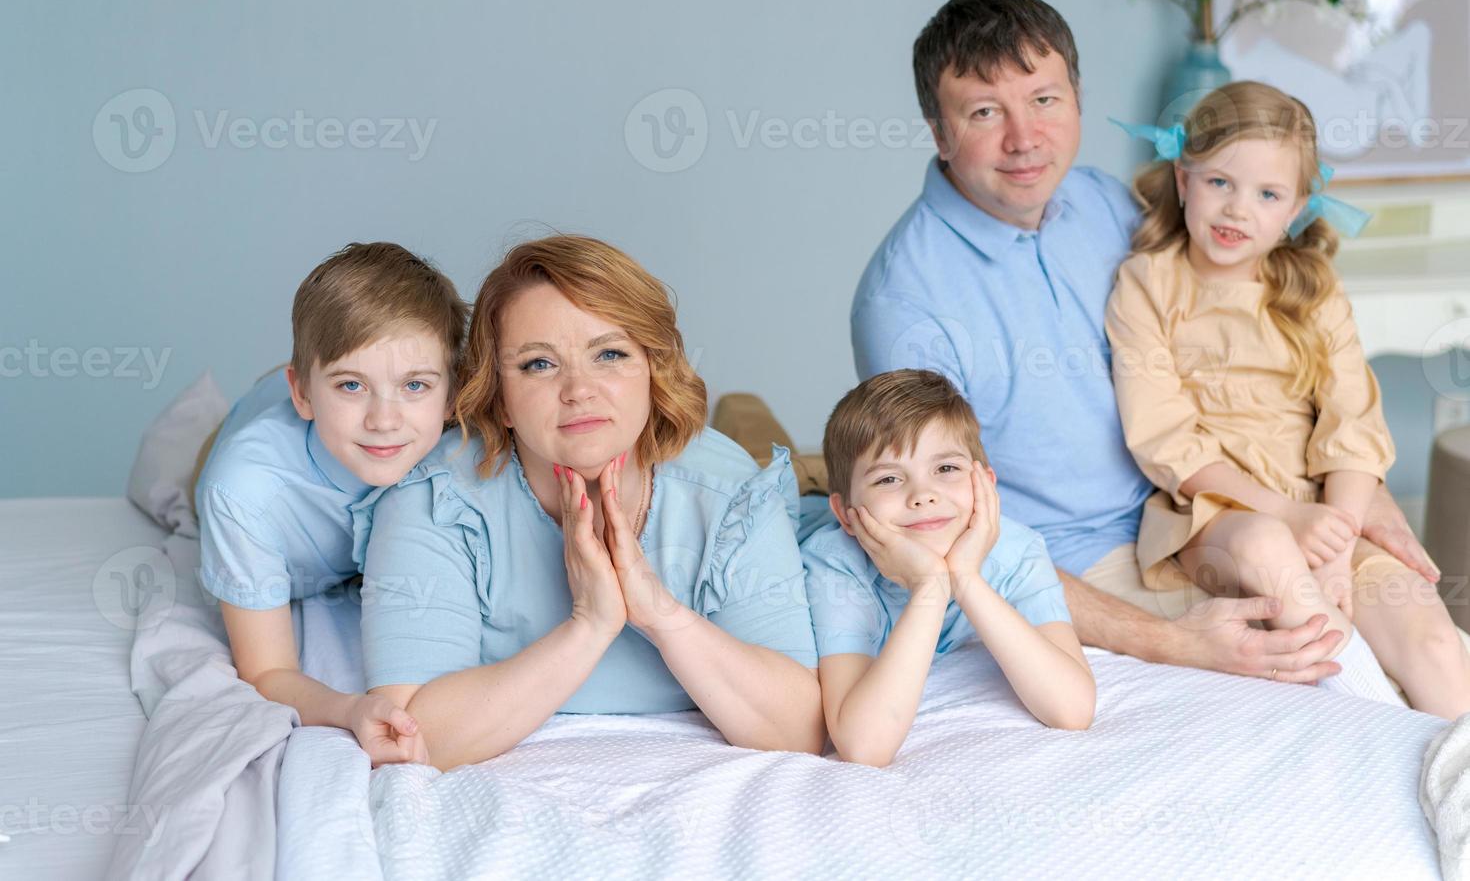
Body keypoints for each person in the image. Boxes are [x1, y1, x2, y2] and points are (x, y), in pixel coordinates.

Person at [851, 0, 1440, 685]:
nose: (1023, 139)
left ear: (1075, 96)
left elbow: (1255, 339)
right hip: (1079, 566)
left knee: (1424, 637)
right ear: (938, 130)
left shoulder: (1111, 205)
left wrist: (1354, 494)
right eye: (984, 112)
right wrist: (1171, 642)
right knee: (1329, 664)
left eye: (1044, 100)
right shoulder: (906, 303)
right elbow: (945, 536)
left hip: (1208, 510)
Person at [359, 235, 824, 771]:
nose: (578, 389)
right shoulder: (435, 496)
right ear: (499, 399)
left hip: (736, 471)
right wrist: (590, 625)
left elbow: (799, 728)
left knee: (768, 432)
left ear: (652, 368)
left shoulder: (729, 491)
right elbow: (409, 733)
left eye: (610, 354)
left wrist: (660, 615)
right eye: (538, 364)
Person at [1106, 81, 1470, 717]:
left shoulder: (1312, 289)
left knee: (1434, 641)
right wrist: (1285, 517)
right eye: (1219, 182)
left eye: (1267, 194)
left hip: (1327, 509)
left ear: (1297, 206)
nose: (1236, 211)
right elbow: (1165, 438)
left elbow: (1352, 425)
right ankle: (1367, 711)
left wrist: (1335, 542)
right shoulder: (1148, 284)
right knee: (1266, 549)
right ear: (1184, 179)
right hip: (1217, 514)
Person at [196, 241, 467, 764]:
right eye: (351, 385)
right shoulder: (244, 493)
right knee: (197, 465)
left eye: (415, 385)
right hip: (252, 436)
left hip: (308, 404)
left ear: (451, 395)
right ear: (302, 393)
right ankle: (275, 393)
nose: (384, 420)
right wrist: (350, 709)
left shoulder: (453, 443)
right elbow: (267, 671)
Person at [801, 369, 1093, 767]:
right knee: (784, 467)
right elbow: (864, 745)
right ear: (847, 515)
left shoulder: (1018, 551)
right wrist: (930, 588)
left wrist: (967, 579)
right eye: (888, 478)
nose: (922, 495)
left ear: (985, 485)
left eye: (946, 469)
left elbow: (1072, 710)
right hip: (802, 511)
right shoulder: (834, 563)